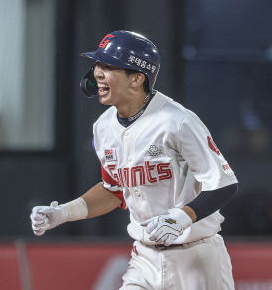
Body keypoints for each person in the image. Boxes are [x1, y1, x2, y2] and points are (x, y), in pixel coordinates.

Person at [30, 30, 238, 289]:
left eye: (108, 66)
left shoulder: (178, 121)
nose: (97, 73)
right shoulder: (103, 127)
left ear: (137, 78)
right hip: (145, 258)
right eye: (97, 65)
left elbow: (224, 184)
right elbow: (114, 190)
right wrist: (63, 213)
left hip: (195, 256)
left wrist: (180, 218)